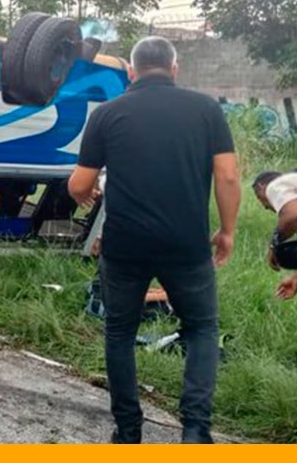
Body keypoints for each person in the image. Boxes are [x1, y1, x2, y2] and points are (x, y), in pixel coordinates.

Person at [67, 36, 240, 444]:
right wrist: (227, 231)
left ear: (131, 71)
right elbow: (229, 176)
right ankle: (195, 429)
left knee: (119, 332)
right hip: (187, 244)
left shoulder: (108, 113)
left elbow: (80, 183)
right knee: (200, 329)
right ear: (174, 69)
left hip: (126, 246)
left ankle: (128, 430)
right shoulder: (205, 110)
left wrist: (83, 195)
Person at [252, 171, 297, 300]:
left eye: (259, 197)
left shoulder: (275, 186)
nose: (265, 207)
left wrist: (274, 245)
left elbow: (293, 216)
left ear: (261, 187)